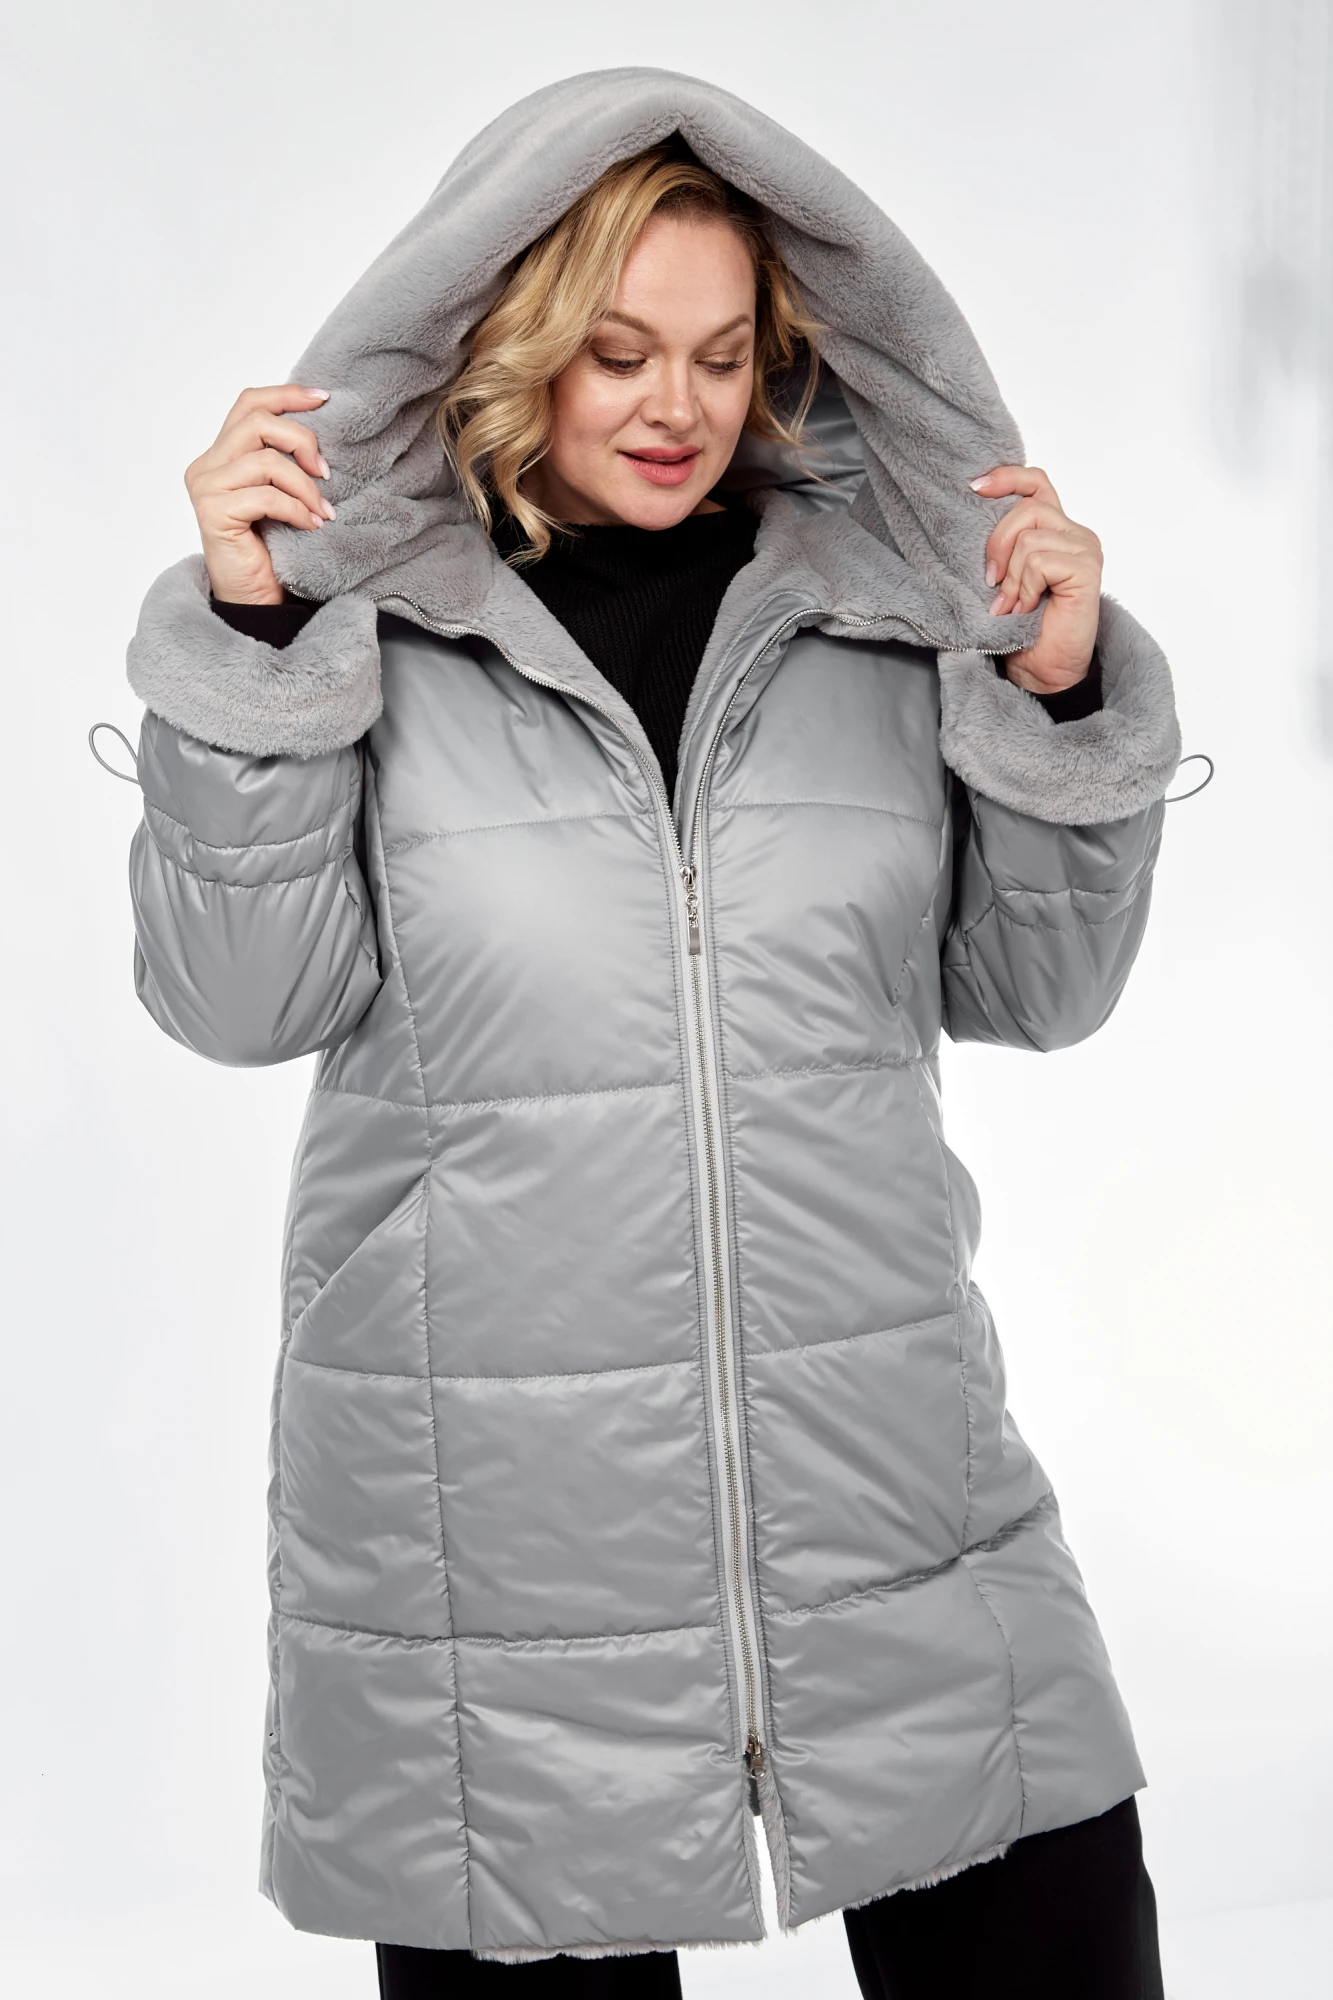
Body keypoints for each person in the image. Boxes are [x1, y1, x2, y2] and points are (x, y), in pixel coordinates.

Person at [122, 68, 1179, 1999]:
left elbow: (1041, 991)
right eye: (614, 354)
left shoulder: (879, 630)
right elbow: (238, 1000)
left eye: (720, 353)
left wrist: (1052, 695)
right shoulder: (367, 640)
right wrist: (253, 645)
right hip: (489, 1575)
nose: (674, 405)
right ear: (509, 344)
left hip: (901, 1512)